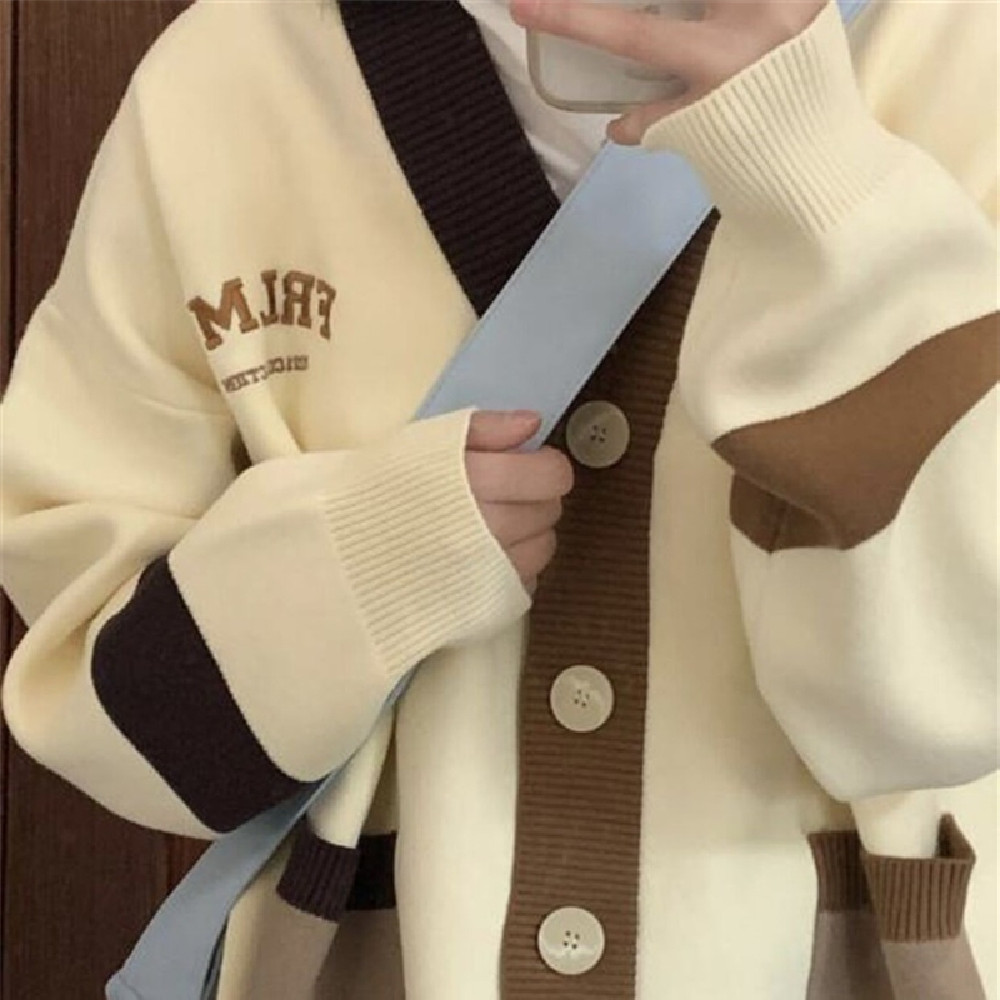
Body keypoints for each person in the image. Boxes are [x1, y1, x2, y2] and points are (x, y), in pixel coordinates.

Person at [1, 0, 996, 998]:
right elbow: (108, 702)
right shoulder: (229, 80)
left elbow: (963, 691)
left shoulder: (960, 57)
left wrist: (819, 180)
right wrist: (354, 570)